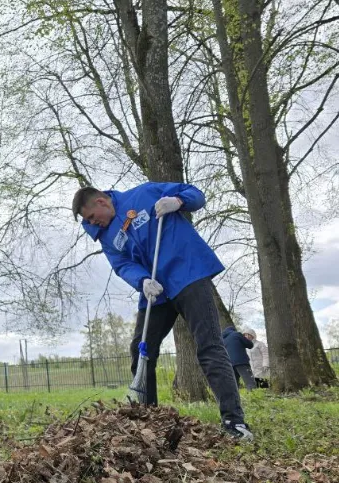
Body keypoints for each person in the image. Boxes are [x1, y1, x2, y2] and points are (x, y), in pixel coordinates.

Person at [71, 183, 254, 441]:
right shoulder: (106, 236)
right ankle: (148, 418)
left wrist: (179, 202)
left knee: (210, 345)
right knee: (141, 350)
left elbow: (196, 194)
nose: (93, 223)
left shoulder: (145, 193)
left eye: (92, 217)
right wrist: (142, 280)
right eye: (88, 221)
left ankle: (234, 421)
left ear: (101, 202)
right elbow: (122, 264)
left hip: (188, 274)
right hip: (155, 292)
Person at [222, 325, 256, 390]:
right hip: (241, 361)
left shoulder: (223, 339)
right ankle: (254, 397)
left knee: (235, 384)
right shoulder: (237, 334)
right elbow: (250, 345)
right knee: (249, 381)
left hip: (230, 364)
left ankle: (236, 399)